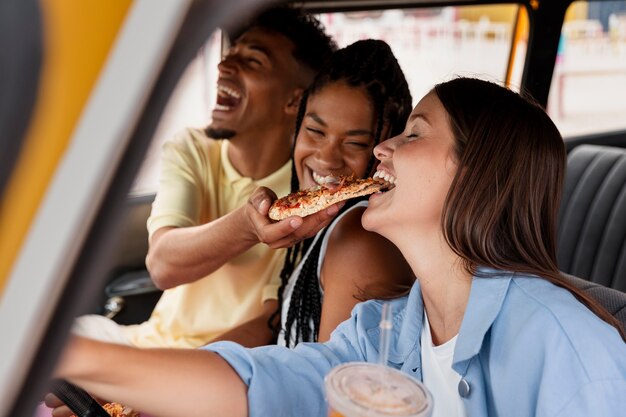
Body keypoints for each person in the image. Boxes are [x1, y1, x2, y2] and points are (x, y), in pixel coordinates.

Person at [52, 77, 626, 417]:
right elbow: (260, 384)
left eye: (414, 133)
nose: (382, 149)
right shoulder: (386, 330)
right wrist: (66, 355)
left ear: (478, 175)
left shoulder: (568, 346)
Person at [70, 6, 337, 349]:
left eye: (253, 61)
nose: (224, 66)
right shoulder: (192, 148)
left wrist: (159, 378)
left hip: (222, 364)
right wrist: (248, 224)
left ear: (293, 100)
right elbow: (163, 264)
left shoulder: (307, 193)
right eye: (231, 54)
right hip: (150, 345)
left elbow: (269, 324)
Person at [260, 38, 415, 347]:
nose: (327, 158)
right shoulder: (330, 225)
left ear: (385, 150)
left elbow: (332, 383)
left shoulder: (360, 240)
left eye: (356, 143)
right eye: (315, 132)